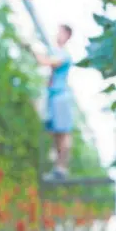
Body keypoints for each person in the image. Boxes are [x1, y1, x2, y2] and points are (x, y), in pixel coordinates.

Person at [33, 24, 75, 180]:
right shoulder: (55, 52)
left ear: (67, 35)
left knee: (63, 132)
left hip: (60, 96)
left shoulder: (64, 55)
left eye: (61, 32)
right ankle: (58, 168)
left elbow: (45, 62)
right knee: (56, 133)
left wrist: (32, 49)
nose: (57, 35)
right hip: (53, 96)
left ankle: (62, 167)